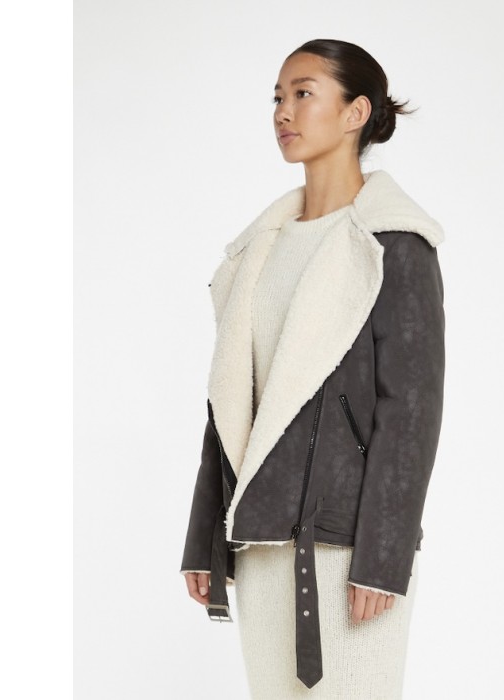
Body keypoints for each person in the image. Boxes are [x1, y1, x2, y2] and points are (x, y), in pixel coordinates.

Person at [179, 38, 446, 698]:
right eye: (278, 96)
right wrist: (206, 537)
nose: (283, 111)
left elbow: (410, 412)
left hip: (346, 549)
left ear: (356, 112)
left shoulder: (392, 244)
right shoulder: (258, 251)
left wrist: (383, 557)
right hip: (263, 542)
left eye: (303, 93)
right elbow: (232, 401)